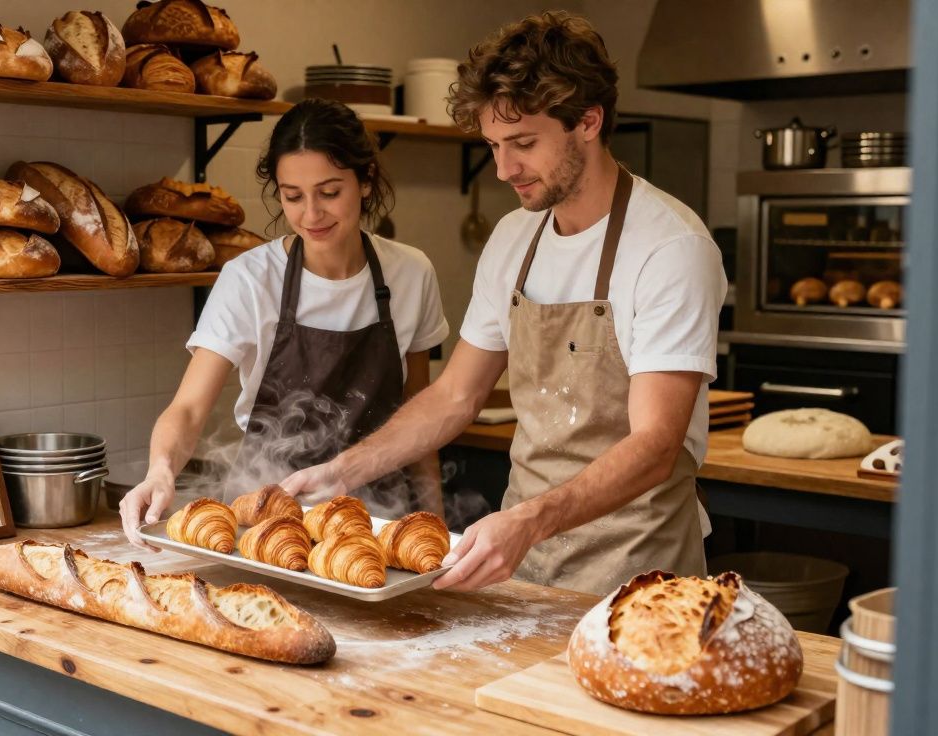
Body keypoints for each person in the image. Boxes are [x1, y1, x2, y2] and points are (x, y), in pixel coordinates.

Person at [282, 11, 726, 596]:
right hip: (524, 562)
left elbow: (655, 448)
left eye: (523, 144)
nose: (503, 168)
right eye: (493, 145)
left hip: (639, 571)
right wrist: (341, 471)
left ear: (588, 121)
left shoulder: (671, 247)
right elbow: (455, 394)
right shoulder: (517, 237)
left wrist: (528, 520)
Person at [119, 98, 450, 546]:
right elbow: (189, 408)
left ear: (366, 180)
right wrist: (160, 471)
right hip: (266, 522)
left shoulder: (412, 273)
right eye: (293, 196)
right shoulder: (250, 279)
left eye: (330, 192)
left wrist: (436, 528)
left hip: (378, 528)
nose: (311, 215)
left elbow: (421, 418)